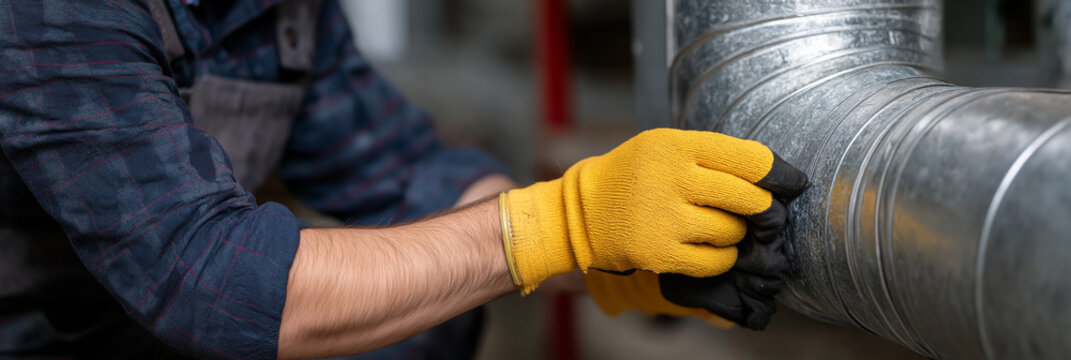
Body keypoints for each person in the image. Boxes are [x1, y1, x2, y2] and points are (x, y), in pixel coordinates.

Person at [0, 1, 809, 359]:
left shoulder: (280, 10)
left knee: (430, 311)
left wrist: (602, 263)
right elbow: (218, 284)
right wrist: (562, 225)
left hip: (151, 339)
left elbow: (411, 174)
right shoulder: (56, 14)